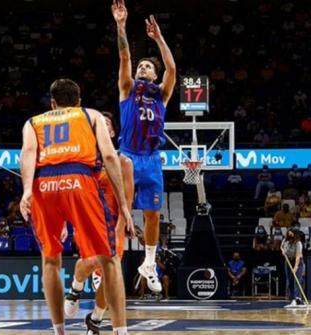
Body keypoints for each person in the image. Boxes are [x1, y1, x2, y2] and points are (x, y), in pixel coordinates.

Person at [20, 78, 134, 335]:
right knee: (110, 259)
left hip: (43, 184)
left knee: (50, 261)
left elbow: (28, 152)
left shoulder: (33, 122)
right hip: (80, 179)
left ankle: (59, 331)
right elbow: (107, 156)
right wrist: (124, 205)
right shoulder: (90, 115)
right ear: (79, 101)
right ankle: (120, 331)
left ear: (52, 103)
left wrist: (27, 190)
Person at [113, 0, 176, 293]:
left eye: (148, 66)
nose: (143, 67)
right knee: (120, 211)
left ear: (154, 74)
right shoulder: (127, 90)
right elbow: (125, 57)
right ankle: (111, 259)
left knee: (153, 215)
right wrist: (121, 25)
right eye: (142, 65)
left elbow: (172, 69)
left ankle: (149, 263)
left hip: (151, 159)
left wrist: (158, 38)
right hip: (127, 156)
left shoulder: (161, 94)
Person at [63, 112, 135, 335]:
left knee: (110, 274)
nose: (102, 128)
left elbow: (128, 198)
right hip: (89, 219)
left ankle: (95, 319)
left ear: (112, 132)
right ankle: (76, 287)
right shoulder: (82, 161)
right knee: (93, 261)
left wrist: (122, 224)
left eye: (106, 125)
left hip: (114, 222)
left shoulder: (123, 162)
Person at [281, 229, 305, 307]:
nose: (289, 236)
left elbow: (298, 256)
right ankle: (292, 299)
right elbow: (283, 249)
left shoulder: (298, 243)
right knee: (290, 280)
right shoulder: (286, 242)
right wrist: (283, 252)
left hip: (298, 262)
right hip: (288, 262)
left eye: (291, 234)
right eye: (288, 234)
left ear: (295, 235)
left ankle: (297, 298)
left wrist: (296, 267)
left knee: (297, 280)